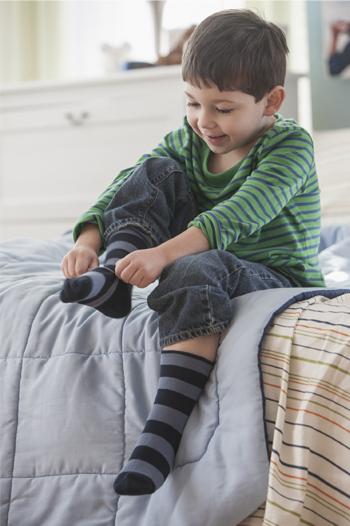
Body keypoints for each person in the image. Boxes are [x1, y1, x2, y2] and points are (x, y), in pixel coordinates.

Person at [60, 9, 325, 496]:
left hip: (275, 272)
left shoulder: (290, 145)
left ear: (272, 101)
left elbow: (237, 215)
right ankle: (113, 277)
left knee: (194, 264)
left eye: (223, 108)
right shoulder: (189, 140)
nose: (204, 121)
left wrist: (162, 255)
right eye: (192, 103)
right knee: (155, 169)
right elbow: (129, 182)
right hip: (195, 254)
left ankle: (160, 436)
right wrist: (88, 239)